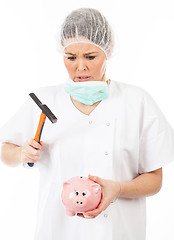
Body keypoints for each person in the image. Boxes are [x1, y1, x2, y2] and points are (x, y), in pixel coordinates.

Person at [0, 7, 174, 240]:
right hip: (56, 231)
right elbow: (5, 151)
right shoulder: (43, 100)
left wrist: (119, 189)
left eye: (90, 57)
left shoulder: (136, 101)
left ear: (108, 50)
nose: (80, 66)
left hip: (119, 232)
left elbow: (154, 180)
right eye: (71, 57)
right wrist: (22, 153)